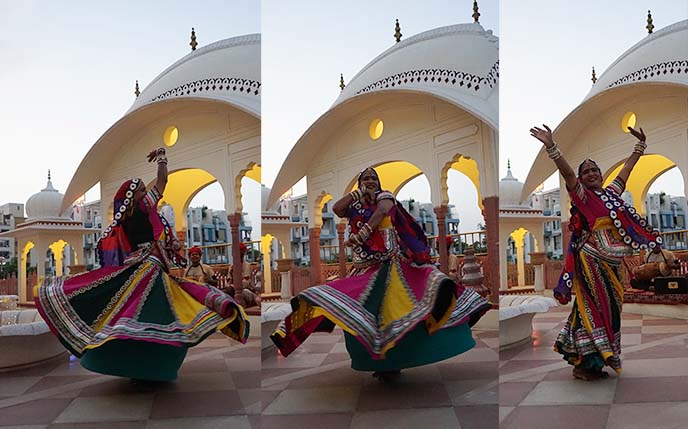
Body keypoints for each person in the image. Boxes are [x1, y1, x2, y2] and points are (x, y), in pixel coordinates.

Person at [35, 147, 249, 382]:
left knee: (137, 311)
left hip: (138, 265)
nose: (146, 192)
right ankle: (149, 363)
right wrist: (161, 159)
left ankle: (141, 363)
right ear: (133, 196)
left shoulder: (124, 218)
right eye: (141, 190)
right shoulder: (143, 208)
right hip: (148, 266)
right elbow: (163, 181)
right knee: (159, 310)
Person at [271, 167, 491, 381]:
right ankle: (383, 364)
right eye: (365, 179)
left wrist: (364, 232)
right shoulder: (355, 204)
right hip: (365, 269)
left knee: (400, 309)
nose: (370, 181)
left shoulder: (385, 197)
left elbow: (383, 211)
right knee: (360, 312)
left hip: (392, 267)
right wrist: (357, 194)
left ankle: (398, 360)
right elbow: (337, 209)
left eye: (373, 178)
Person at [530, 124, 662, 381]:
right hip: (591, 261)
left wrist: (640, 147)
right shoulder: (584, 197)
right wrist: (552, 147)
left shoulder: (611, 195)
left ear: (601, 175)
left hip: (611, 264)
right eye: (586, 171)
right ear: (581, 179)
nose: (591, 173)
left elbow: (626, 171)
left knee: (611, 309)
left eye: (595, 170)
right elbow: (568, 174)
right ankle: (586, 363)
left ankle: (594, 360)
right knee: (594, 307)